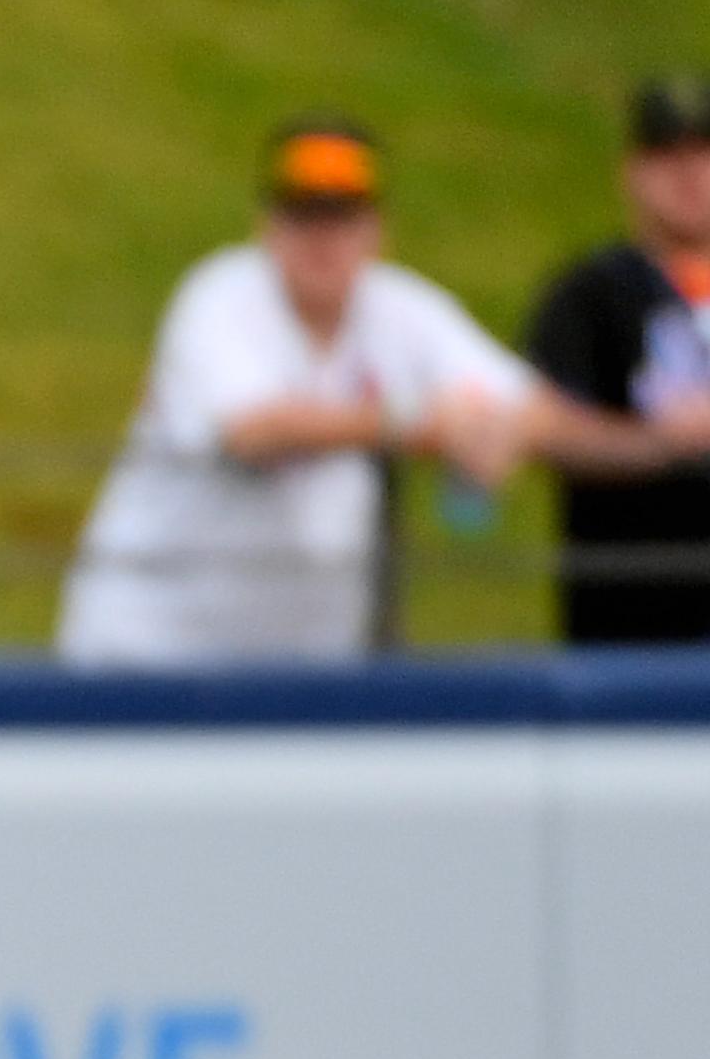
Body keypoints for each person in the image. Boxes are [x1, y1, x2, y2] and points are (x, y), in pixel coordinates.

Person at [59, 118, 536, 665]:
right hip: (152, 649)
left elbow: (528, 402)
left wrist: (491, 432)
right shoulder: (219, 296)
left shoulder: (402, 310)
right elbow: (251, 431)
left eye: (342, 216)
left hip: (304, 664)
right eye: (304, 215)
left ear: (376, 229)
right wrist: (411, 423)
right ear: (267, 225)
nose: (323, 237)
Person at [524, 75, 710, 643]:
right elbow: (541, 426)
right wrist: (660, 443)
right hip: (629, 618)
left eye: (702, 154)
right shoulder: (593, 293)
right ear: (632, 172)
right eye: (666, 155)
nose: (689, 175)